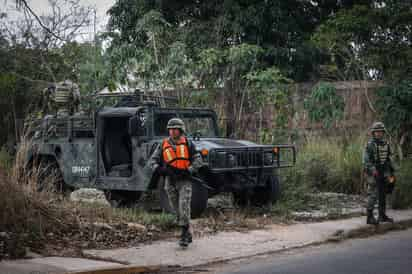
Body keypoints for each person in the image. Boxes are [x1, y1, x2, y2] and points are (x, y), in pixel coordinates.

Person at [150, 118, 202, 248]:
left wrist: (189, 170)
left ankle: (184, 234)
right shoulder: (163, 144)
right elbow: (152, 162)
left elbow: (198, 160)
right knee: (176, 208)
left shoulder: (188, 144)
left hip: (184, 180)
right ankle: (187, 230)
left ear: (181, 130)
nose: (172, 132)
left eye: (175, 129)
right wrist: (161, 170)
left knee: (184, 206)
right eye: (170, 129)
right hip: (170, 180)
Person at [363, 122, 396, 225]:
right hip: (373, 172)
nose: (378, 133)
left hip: (383, 171)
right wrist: (373, 170)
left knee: (383, 194)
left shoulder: (386, 144)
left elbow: (389, 159)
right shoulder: (370, 145)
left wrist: (391, 172)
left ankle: (382, 215)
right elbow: (366, 160)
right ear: (373, 133)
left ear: (383, 132)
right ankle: (369, 217)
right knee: (373, 194)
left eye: (380, 131)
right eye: (376, 132)